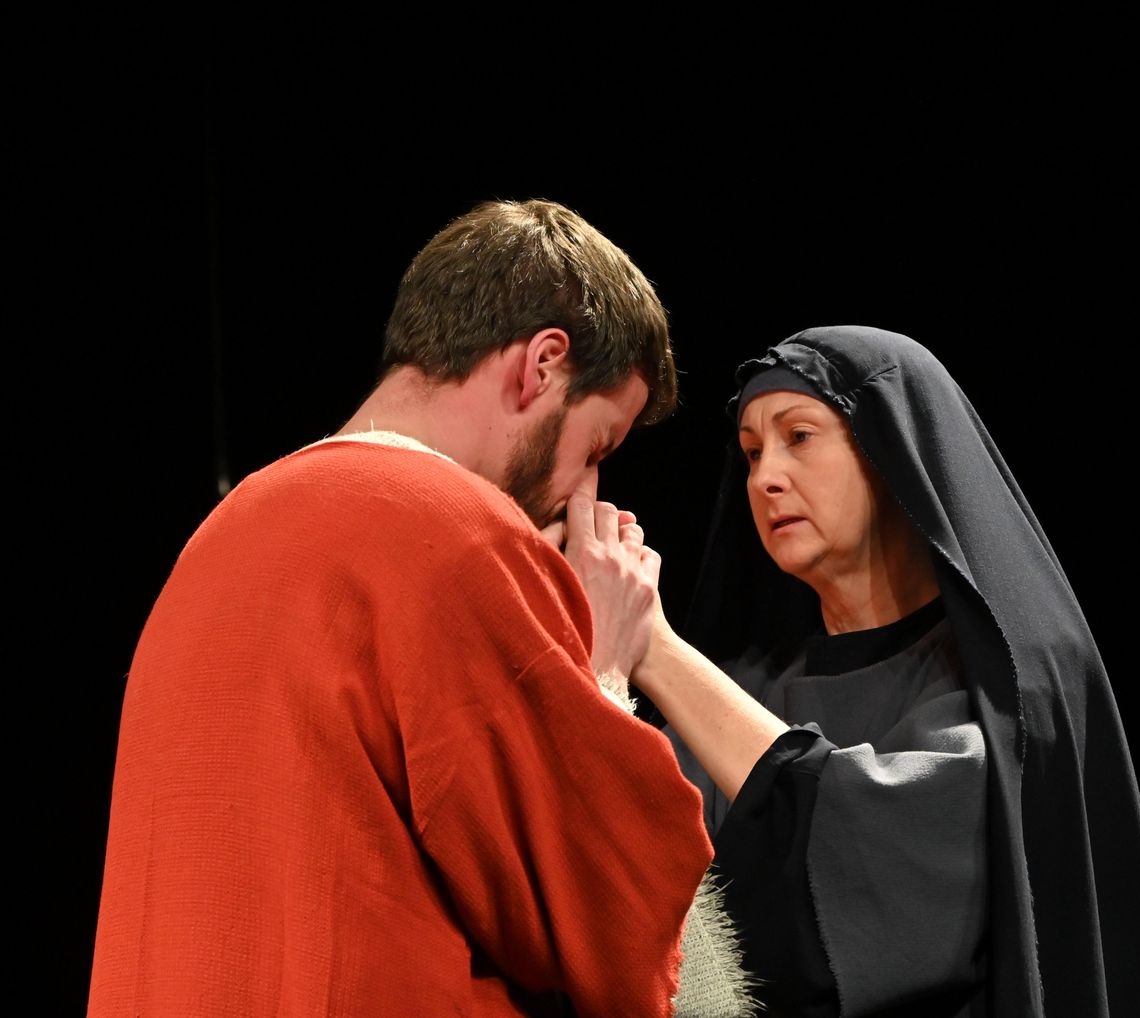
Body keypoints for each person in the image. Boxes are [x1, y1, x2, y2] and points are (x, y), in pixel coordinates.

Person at [89, 200, 751, 1017]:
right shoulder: (459, 535)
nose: (586, 492)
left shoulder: (215, 541)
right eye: (595, 447)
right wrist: (603, 670)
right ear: (542, 365)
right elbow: (603, 918)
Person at [637, 326, 1140, 1016]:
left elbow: (875, 865)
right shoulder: (745, 688)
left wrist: (654, 647)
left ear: (891, 449)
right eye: (751, 452)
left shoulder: (1007, 690)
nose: (766, 477)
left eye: (799, 436)